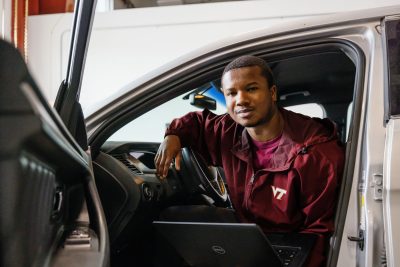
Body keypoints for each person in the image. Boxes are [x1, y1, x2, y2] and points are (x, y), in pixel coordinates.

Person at [154, 55, 345, 267]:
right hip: (249, 236)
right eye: (232, 93)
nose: (241, 100)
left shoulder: (316, 154)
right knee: (174, 224)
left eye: (251, 89)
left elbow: (317, 233)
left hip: (290, 245)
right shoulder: (229, 130)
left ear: (272, 93)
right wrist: (173, 135)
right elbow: (197, 123)